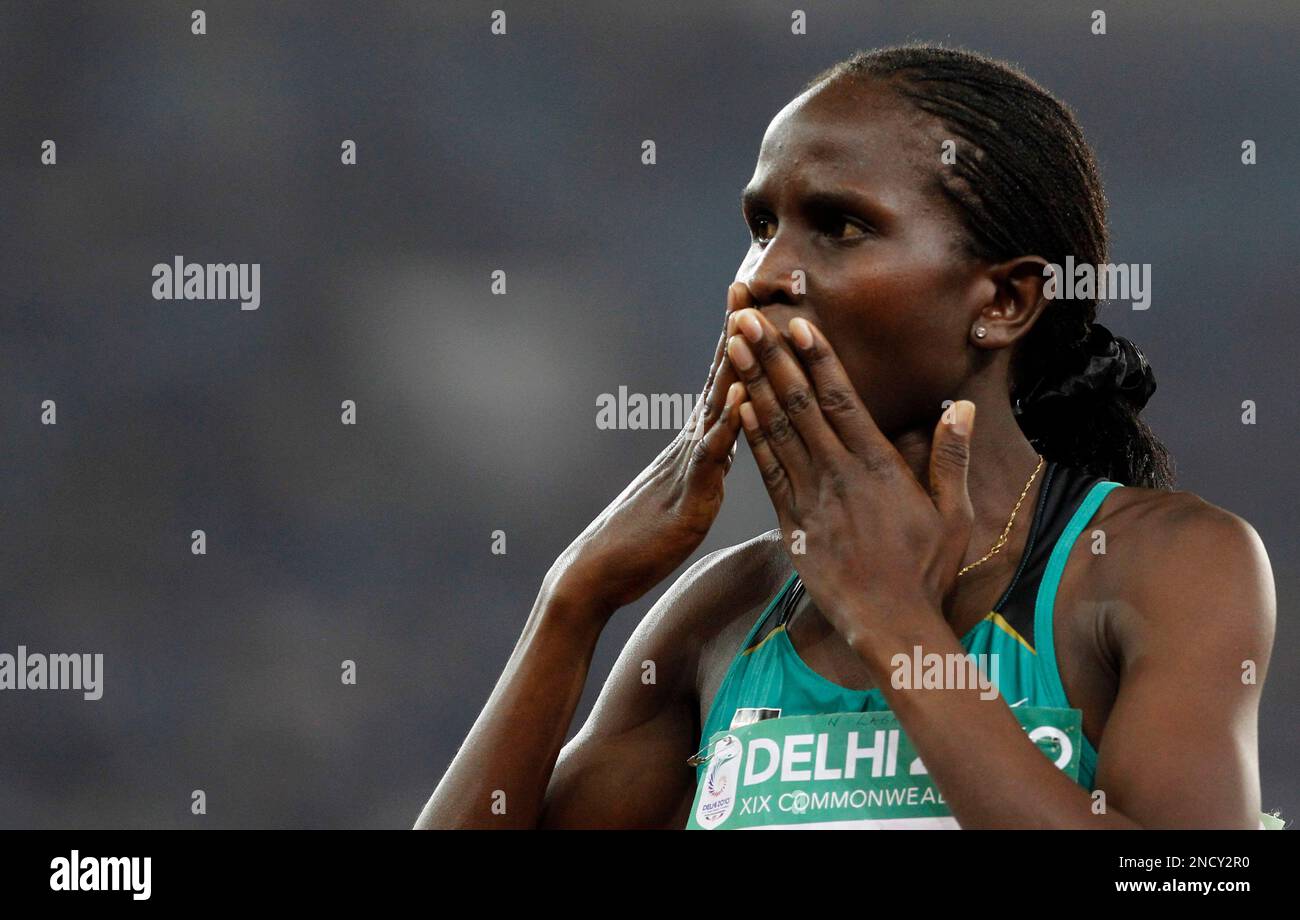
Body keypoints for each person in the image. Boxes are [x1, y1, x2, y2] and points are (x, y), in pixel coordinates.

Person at [415, 44, 1276, 829]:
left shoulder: (1167, 567)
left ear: (1004, 302)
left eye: (841, 227)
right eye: (761, 228)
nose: (761, 280)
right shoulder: (725, 614)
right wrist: (572, 601)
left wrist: (896, 626)